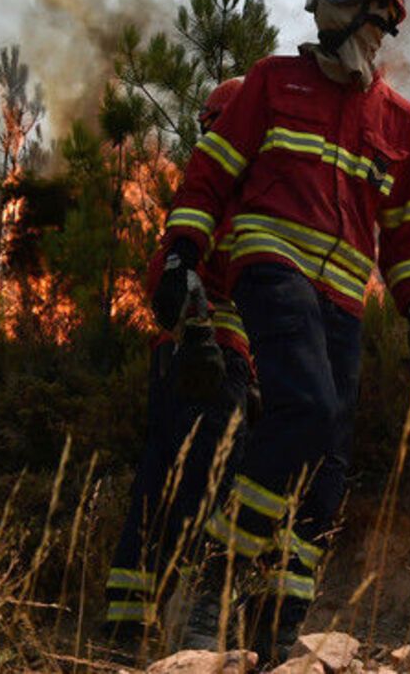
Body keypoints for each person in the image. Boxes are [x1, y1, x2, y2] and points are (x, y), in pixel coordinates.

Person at [150, 0, 410, 663]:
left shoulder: (402, 124)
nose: (316, 4)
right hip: (270, 270)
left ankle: (276, 623)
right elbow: (211, 171)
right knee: (304, 409)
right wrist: (183, 251)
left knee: (329, 465)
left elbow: (404, 228)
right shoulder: (274, 82)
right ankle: (213, 587)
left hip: (342, 299)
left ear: (381, 12)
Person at [104, 77, 255, 656]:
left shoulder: (197, 193)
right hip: (212, 365)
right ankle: (194, 630)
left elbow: (161, 276)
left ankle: (126, 629)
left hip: (174, 362)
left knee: (156, 487)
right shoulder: (232, 193)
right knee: (210, 491)